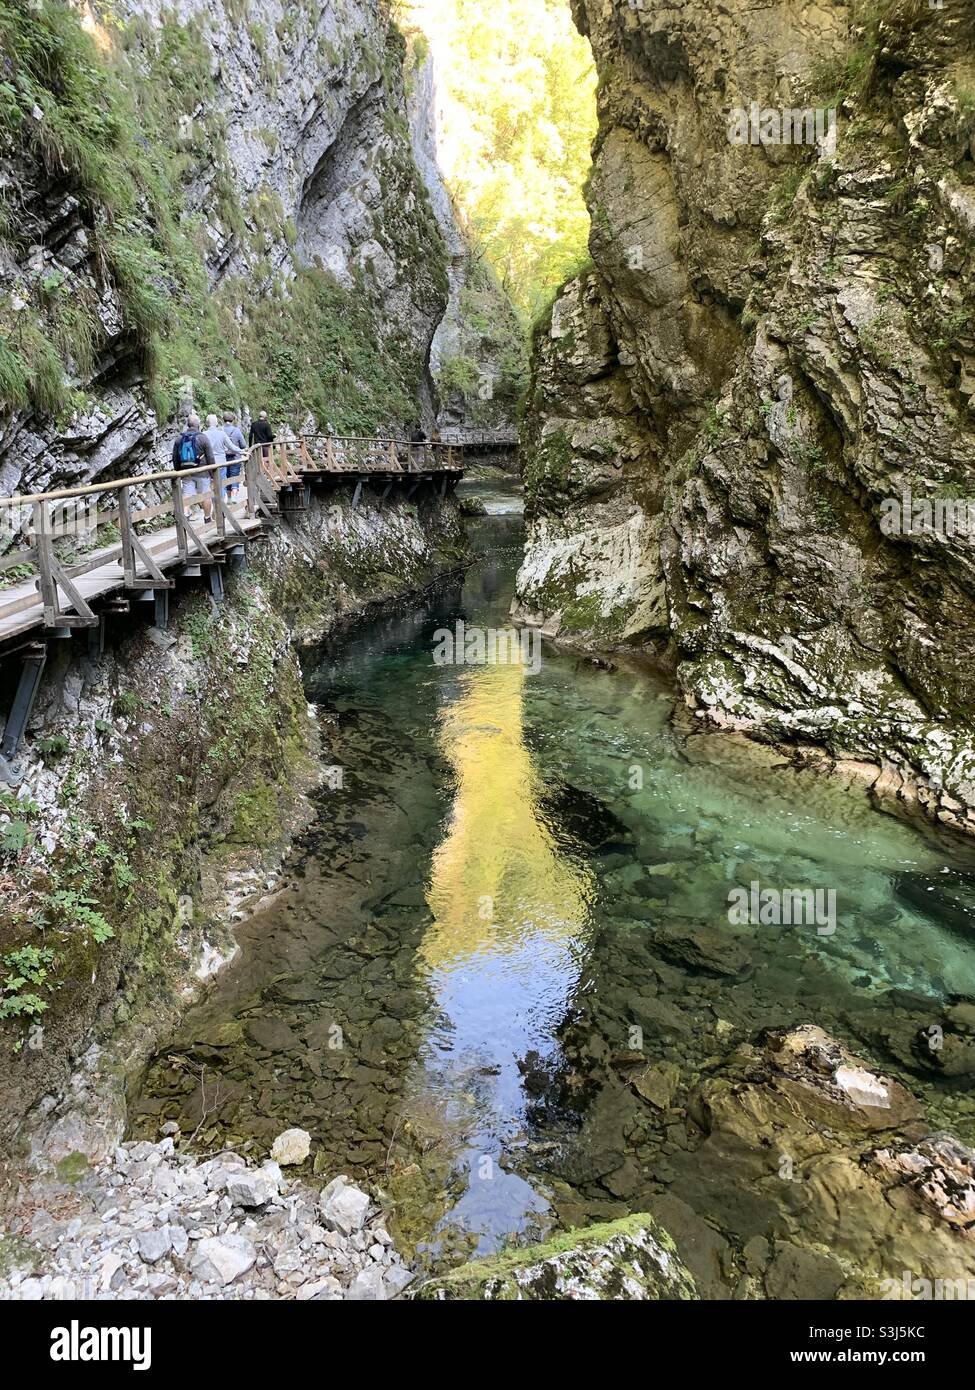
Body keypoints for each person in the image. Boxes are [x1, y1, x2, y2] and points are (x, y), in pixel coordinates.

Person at [172, 412, 215, 522]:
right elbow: (210, 457)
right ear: (198, 425)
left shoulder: (179, 439)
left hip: (186, 472)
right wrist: (213, 473)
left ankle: (185, 514)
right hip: (202, 472)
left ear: (187, 424)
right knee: (205, 494)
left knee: (187, 494)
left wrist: (178, 472)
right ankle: (207, 518)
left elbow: (175, 458)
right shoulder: (203, 438)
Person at [203, 413, 243, 503]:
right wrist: (243, 451)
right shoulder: (221, 434)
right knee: (221, 482)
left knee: (211, 483)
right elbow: (232, 446)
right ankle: (221, 503)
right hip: (221, 462)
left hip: (208, 463)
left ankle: (214, 502)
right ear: (217, 423)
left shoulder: (203, 435)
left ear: (206, 423)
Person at [221, 409, 247, 500]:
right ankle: (234, 499)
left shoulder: (220, 430)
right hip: (235, 458)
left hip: (223, 459)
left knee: (226, 477)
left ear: (223, 419)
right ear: (233, 420)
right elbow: (243, 445)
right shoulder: (237, 431)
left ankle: (228, 499)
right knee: (234, 476)